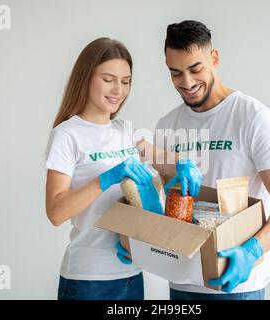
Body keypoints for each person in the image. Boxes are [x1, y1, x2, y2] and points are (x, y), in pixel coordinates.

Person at [117, 20, 270, 300]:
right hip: (182, 283)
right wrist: (139, 238)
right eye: (176, 73)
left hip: (236, 285)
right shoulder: (168, 124)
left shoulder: (253, 117)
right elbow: (170, 206)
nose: (187, 82)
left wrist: (252, 251)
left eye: (196, 68)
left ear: (214, 58)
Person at [45, 37, 201, 300]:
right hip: (88, 281)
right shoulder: (67, 134)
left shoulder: (125, 131)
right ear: (86, 78)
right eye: (108, 79)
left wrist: (183, 164)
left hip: (131, 274)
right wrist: (105, 179)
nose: (118, 90)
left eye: (126, 81)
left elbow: (160, 157)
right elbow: (56, 212)